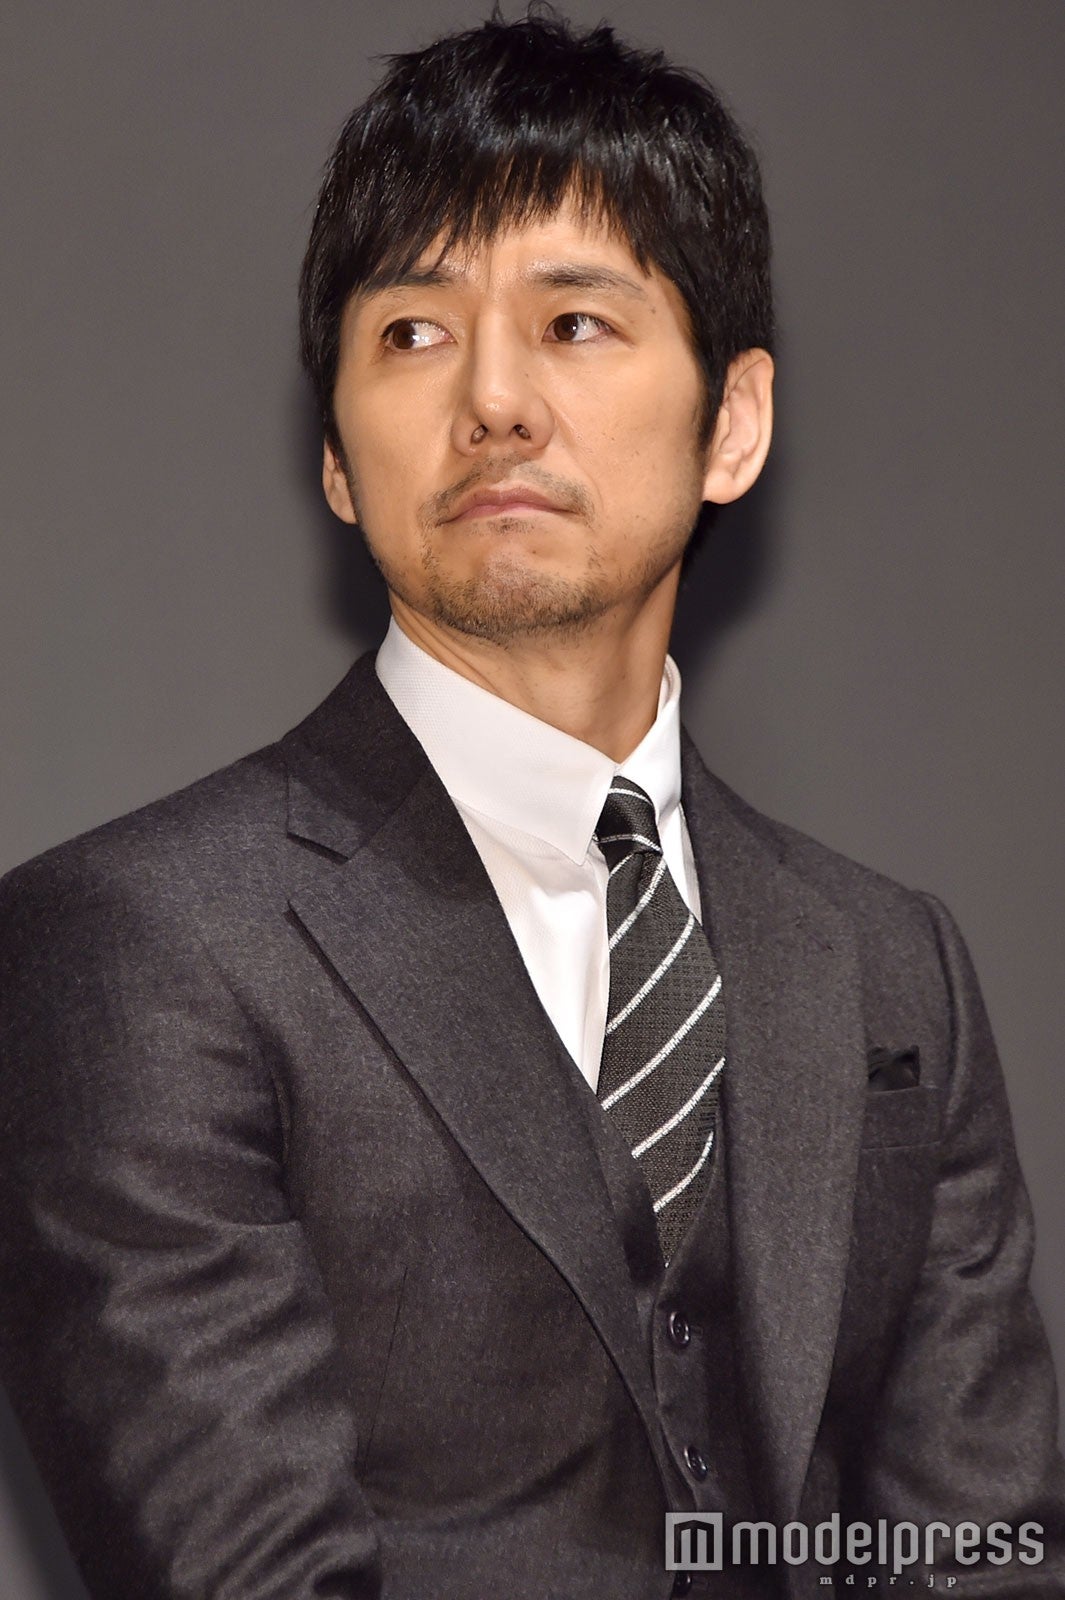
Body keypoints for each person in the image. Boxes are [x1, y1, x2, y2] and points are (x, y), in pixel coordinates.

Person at [0, 11, 1062, 1598]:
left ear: (732, 424)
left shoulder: (888, 963)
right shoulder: (133, 945)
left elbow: (980, 1552)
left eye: (573, 322)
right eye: (411, 333)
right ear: (337, 460)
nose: (493, 398)